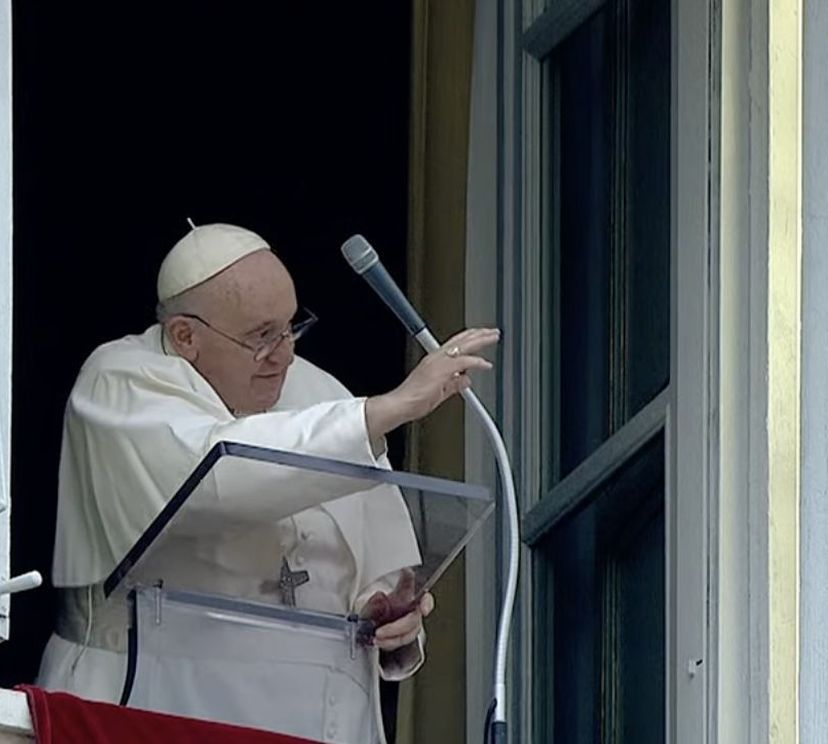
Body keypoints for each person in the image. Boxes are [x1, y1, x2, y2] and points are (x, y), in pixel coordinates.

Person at [37, 223, 498, 743]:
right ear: (186, 336)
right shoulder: (120, 377)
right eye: (261, 336)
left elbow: (382, 565)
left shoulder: (322, 390)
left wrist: (392, 615)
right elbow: (216, 477)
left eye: (290, 327)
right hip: (166, 704)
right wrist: (388, 409)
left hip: (325, 720)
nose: (284, 353)